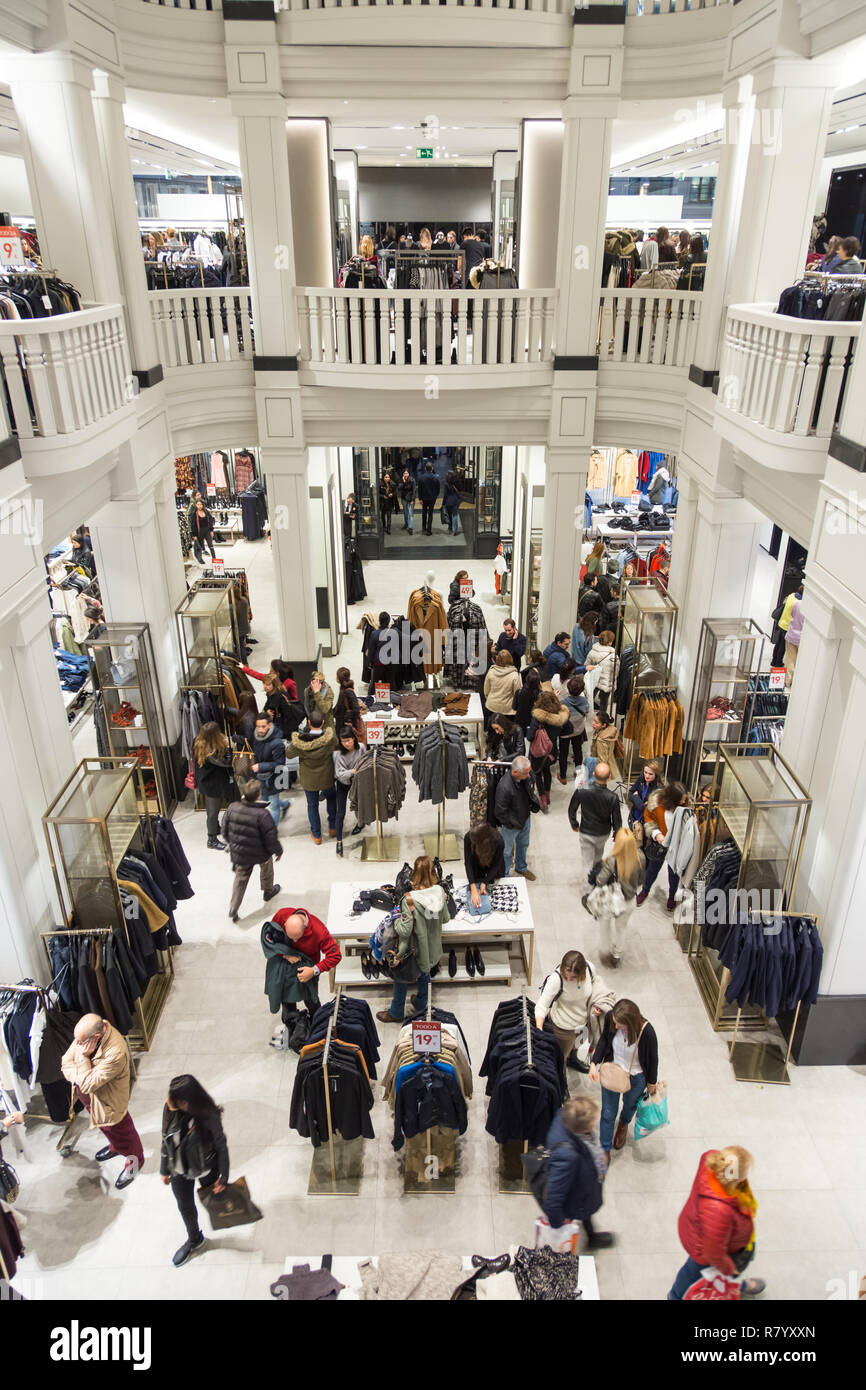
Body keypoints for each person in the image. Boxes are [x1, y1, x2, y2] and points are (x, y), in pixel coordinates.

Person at [61, 1014, 144, 1190]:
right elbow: (65, 1062)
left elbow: (87, 1083)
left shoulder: (115, 1052)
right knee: (106, 1128)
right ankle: (115, 1147)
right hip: (91, 1098)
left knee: (123, 1132)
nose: (77, 1045)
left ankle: (135, 1161)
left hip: (109, 1102)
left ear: (96, 1036)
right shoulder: (84, 1038)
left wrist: (83, 1059)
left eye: (81, 1042)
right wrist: (80, 1078)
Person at [669, 1147, 765, 1300]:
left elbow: (710, 1153)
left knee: (693, 1271)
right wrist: (728, 1269)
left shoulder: (710, 1163)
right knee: (696, 1274)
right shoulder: (719, 1209)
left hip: (698, 1231)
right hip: (706, 1251)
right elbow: (713, 1252)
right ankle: (675, 1297)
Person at [160, 1074, 229, 1267]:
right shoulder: (170, 1108)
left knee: (216, 1201)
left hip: (205, 1167)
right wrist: (164, 1168)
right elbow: (165, 1139)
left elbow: (221, 1146)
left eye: (176, 1100)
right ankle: (194, 1239)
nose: (170, 1103)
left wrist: (224, 1178)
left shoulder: (208, 1115)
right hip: (179, 1169)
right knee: (185, 1204)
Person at [376, 856, 451, 1024]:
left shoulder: (409, 899)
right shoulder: (440, 893)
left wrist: (395, 919)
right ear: (433, 872)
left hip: (413, 949)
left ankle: (396, 1012)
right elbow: (445, 918)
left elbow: (405, 930)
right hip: (432, 948)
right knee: (425, 973)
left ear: (415, 874)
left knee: (400, 978)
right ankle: (421, 1003)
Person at [590, 998, 659, 1159]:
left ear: (630, 1022)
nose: (615, 1027)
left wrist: (651, 1083)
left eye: (620, 1024)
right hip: (612, 1071)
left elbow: (653, 1059)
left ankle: (623, 1123)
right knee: (607, 1113)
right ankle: (605, 1148)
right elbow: (605, 1039)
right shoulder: (610, 1019)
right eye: (614, 1022)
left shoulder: (647, 1032)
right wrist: (594, 1063)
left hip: (636, 1077)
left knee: (630, 1105)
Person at [542, 1097, 612, 1249]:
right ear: (583, 1128)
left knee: (586, 1213)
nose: (595, 1123)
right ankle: (588, 1240)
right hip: (576, 1196)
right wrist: (557, 1226)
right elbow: (554, 1195)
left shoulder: (564, 1116)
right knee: (581, 1213)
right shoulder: (567, 1156)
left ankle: (591, 1236)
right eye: (593, 1121)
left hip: (582, 1190)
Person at [267, 907, 342, 1049]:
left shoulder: (319, 931)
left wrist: (314, 970)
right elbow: (270, 939)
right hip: (286, 970)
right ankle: (293, 1034)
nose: (294, 941)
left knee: (312, 1002)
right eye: (290, 937)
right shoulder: (281, 915)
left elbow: (335, 956)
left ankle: (319, 1033)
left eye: (297, 937)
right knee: (288, 1003)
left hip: (308, 973)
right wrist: (284, 954)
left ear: (305, 928)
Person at [535, 949, 611, 1069]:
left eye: (574, 977)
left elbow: (595, 985)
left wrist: (597, 1004)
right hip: (563, 1028)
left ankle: (573, 1059)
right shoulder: (556, 980)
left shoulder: (589, 968)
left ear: (582, 973)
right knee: (561, 1058)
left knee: (577, 1045)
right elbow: (542, 1005)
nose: (569, 979)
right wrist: (539, 1028)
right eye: (566, 975)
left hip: (583, 1024)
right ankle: (561, 1079)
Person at [220, 779, 282, 922]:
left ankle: (233, 908)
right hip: (260, 853)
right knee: (267, 868)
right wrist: (278, 851)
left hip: (241, 853)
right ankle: (268, 891)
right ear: (259, 796)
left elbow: (224, 830)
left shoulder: (232, 807)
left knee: (240, 878)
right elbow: (271, 838)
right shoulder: (263, 814)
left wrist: (233, 843)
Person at [585, 827, 646, 968]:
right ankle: (617, 955)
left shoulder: (613, 859)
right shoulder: (640, 857)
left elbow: (600, 880)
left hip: (611, 900)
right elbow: (642, 880)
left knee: (605, 926)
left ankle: (605, 951)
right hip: (629, 901)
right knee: (621, 929)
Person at [636, 780, 688, 909]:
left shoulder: (685, 808)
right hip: (659, 845)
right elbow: (648, 817)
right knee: (652, 870)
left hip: (676, 847)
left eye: (684, 799)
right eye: (681, 799)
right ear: (672, 798)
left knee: (674, 874)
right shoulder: (656, 803)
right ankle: (645, 891)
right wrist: (656, 834)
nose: (683, 801)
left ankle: (671, 897)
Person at [569, 759, 622, 880]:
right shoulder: (613, 797)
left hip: (586, 831)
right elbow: (617, 819)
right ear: (609, 777)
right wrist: (616, 834)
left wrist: (574, 823)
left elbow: (572, 809)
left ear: (593, 774)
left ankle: (588, 891)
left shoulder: (582, 790)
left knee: (586, 862)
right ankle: (596, 882)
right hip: (603, 833)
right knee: (598, 858)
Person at [291, 709, 338, 844]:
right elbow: (336, 745)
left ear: (308, 723)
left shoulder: (301, 742)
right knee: (331, 799)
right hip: (327, 777)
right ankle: (333, 828)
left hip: (309, 780)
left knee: (312, 805)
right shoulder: (330, 739)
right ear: (323, 723)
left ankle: (317, 835)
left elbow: (288, 754)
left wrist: (296, 739)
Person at [493, 754, 539, 881]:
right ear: (515, 772)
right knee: (506, 852)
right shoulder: (504, 787)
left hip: (525, 819)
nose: (528, 775)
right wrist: (511, 823)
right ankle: (505, 874)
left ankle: (521, 867)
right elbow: (500, 812)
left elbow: (530, 789)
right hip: (511, 826)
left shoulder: (525, 778)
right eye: (526, 773)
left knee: (523, 844)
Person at [192, 721, 233, 851]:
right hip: (212, 784)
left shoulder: (199, 742)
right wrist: (229, 748)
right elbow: (227, 762)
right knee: (212, 812)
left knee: (212, 811)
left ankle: (215, 829)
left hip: (207, 782)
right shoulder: (209, 751)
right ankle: (212, 839)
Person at [527, 688, 569, 811]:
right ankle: (548, 796)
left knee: (538, 774)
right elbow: (568, 730)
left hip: (539, 752)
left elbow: (530, 736)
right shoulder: (560, 717)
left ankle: (543, 800)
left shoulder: (538, 717)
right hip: (552, 752)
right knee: (547, 772)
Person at [251, 710, 289, 827]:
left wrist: (260, 766)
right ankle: (285, 804)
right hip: (260, 777)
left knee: (273, 806)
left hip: (273, 778)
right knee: (263, 802)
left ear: (270, 725)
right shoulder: (257, 737)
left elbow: (280, 764)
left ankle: (271, 832)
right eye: (258, 726)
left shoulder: (277, 743)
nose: (260, 729)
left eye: (263, 726)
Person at [463, 822, 506, 913]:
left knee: (494, 883)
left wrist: (485, 882)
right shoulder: (469, 837)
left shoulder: (499, 841)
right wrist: (473, 889)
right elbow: (468, 863)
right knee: (476, 881)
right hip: (476, 864)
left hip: (493, 866)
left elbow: (496, 866)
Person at [333, 724, 363, 857]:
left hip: (356, 782)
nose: (346, 743)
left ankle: (360, 824)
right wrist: (353, 771)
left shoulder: (361, 747)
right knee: (340, 812)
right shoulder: (339, 754)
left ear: (354, 739)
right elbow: (339, 774)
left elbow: (364, 762)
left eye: (348, 740)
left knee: (359, 806)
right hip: (342, 784)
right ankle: (339, 841)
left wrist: (355, 772)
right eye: (343, 741)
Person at [558, 674, 589, 782]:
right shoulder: (584, 701)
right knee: (578, 752)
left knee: (563, 753)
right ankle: (578, 773)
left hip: (564, 731)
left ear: (568, 688)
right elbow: (586, 712)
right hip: (578, 730)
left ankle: (563, 776)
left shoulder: (563, 702)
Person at [483, 648, 522, 726]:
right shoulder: (514, 675)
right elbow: (517, 694)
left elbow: (486, 690)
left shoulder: (491, 671)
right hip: (508, 710)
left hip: (492, 706)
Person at [585, 629, 618, 713]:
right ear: (610, 642)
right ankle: (602, 718)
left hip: (594, 679)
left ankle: (586, 711)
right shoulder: (613, 655)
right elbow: (616, 670)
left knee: (590, 696)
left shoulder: (592, 651)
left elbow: (587, 665)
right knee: (604, 702)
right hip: (606, 682)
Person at [585, 711, 623, 784]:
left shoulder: (601, 740)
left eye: (596, 722)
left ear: (603, 725)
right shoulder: (609, 731)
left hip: (600, 769)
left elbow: (602, 761)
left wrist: (588, 761)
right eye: (594, 720)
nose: (593, 723)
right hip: (609, 763)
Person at [627, 760, 661, 826]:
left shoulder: (658, 789)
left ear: (656, 774)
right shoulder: (641, 779)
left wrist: (636, 797)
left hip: (645, 822)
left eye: (650, 774)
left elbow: (645, 809)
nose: (647, 776)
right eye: (645, 772)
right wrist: (641, 804)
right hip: (633, 817)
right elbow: (630, 794)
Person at [333, 667, 362, 738]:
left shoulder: (348, 692)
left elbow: (356, 709)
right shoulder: (343, 690)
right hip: (342, 723)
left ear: (339, 678)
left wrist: (346, 717)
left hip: (346, 725)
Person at [785, 587, 804, 687]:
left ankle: (788, 682)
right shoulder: (812, 609)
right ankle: (797, 685)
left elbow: (792, 614)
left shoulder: (798, 603)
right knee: (800, 662)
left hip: (791, 635)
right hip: (802, 639)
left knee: (790, 660)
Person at [514, 666, 541, 738]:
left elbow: (514, 707)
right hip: (534, 721)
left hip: (520, 720)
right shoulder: (539, 694)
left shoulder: (519, 692)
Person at [190, 498, 216, 563]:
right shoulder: (194, 514)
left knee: (211, 545)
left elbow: (210, 521)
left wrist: (211, 530)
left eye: (201, 504)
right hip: (199, 531)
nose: (199, 506)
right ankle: (200, 559)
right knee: (200, 546)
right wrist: (194, 535)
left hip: (207, 530)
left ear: (203, 505)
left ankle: (214, 558)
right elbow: (193, 525)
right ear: (196, 505)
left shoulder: (206, 512)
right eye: (198, 504)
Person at [417, 463, 441, 536]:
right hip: (432, 498)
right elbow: (438, 489)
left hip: (424, 498)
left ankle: (424, 528)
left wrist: (420, 498)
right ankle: (429, 530)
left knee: (424, 513)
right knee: (430, 513)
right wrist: (435, 496)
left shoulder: (421, 477)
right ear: (432, 469)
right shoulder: (435, 478)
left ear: (425, 468)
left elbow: (419, 489)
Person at [231, 583, 251, 663]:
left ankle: (243, 662)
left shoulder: (232, 606)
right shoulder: (244, 600)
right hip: (245, 627)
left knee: (240, 647)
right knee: (242, 645)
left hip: (238, 630)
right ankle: (244, 661)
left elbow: (232, 620)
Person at [442, 471, 461, 535]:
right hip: (456, 500)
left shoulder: (446, 484)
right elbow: (460, 490)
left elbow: (445, 495)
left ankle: (450, 528)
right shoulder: (456, 482)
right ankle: (454, 530)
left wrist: (443, 503)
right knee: (455, 515)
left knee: (449, 515)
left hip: (448, 501)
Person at [398, 468, 415, 533]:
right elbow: (399, 488)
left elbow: (414, 490)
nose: (406, 474)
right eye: (404, 473)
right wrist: (403, 482)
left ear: (409, 474)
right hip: (404, 498)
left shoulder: (412, 480)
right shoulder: (401, 480)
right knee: (405, 512)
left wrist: (413, 499)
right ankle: (406, 524)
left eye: (407, 473)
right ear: (403, 474)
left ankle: (410, 527)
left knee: (410, 513)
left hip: (411, 499)